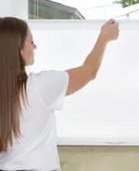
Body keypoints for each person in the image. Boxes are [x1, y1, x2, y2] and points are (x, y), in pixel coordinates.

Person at [0, 17, 119, 171]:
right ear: (18, 47)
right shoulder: (40, 87)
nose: (35, 46)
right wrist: (104, 37)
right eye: (31, 41)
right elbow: (90, 71)